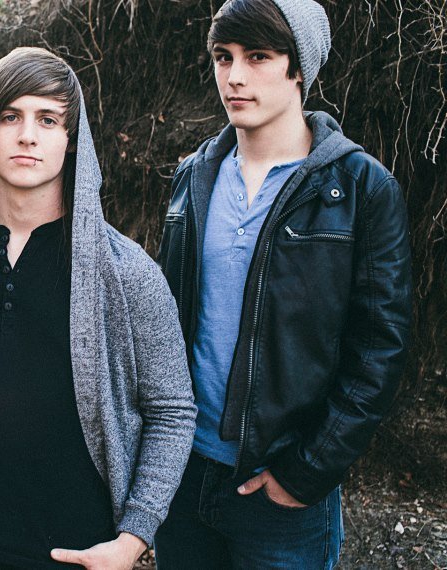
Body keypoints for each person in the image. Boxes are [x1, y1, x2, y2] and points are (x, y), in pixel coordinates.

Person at [0, 46, 196, 570]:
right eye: (10, 117)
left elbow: (172, 410)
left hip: (73, 551)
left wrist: (133, 537)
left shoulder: (126, 273)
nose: (27, 135)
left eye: (47, 119)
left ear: (71, 140)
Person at [154, 1, 412, 567]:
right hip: (184, 475)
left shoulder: (360, 187)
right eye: (223, 57)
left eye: (258, 57)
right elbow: (164, 324)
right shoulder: (192, 177)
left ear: (299, 69)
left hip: (281, 493)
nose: (234, 76)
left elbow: (381, 348)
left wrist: (306, 470)